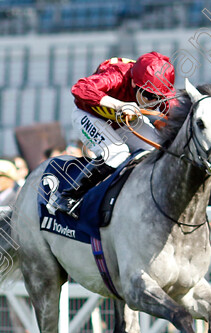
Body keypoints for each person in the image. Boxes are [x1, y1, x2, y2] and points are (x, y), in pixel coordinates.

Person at [51, 52, 177, 217]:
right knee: (116, 153)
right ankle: (68, 197)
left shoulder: (159, 88)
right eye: (149, 95)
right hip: (91, 115)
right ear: (133, 83)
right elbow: (79, 88)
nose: (153, 103)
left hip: (123, 121)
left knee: (158, 150)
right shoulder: (116, 75)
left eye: (159, 98)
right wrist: (118, 105)